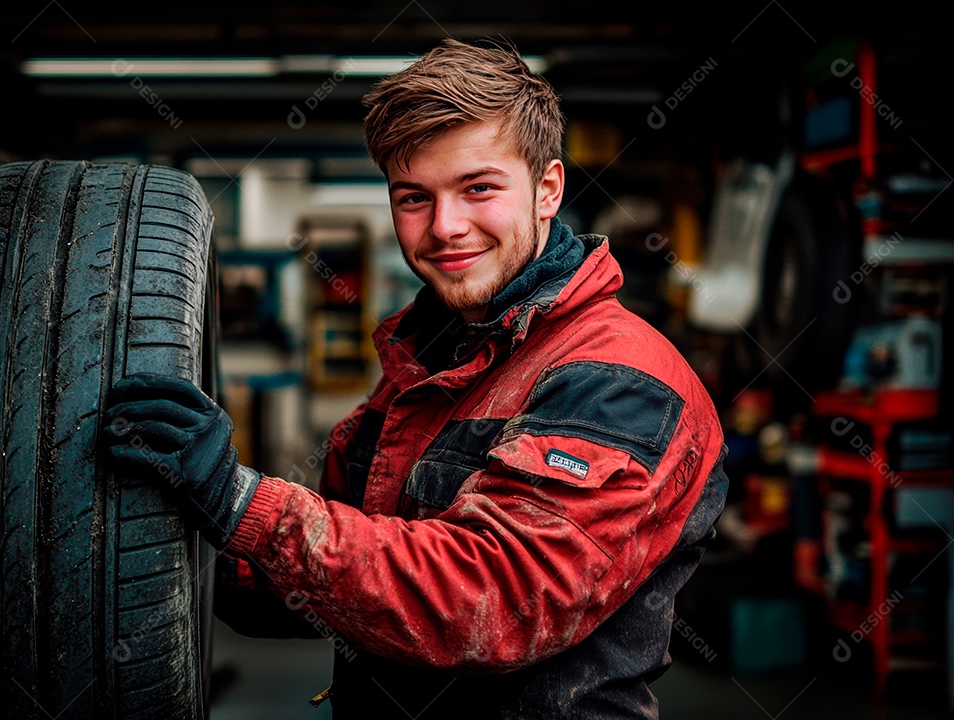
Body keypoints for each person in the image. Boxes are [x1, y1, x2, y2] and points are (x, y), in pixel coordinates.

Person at [102, 36, 729, 720]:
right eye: (413, 198)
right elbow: (342, 574)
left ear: (548, 189)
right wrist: (171, 529)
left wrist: (242, 500)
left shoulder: (619, 377)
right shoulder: (428, 364)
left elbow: (492, 601)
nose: (445, 228)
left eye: (478, 188)